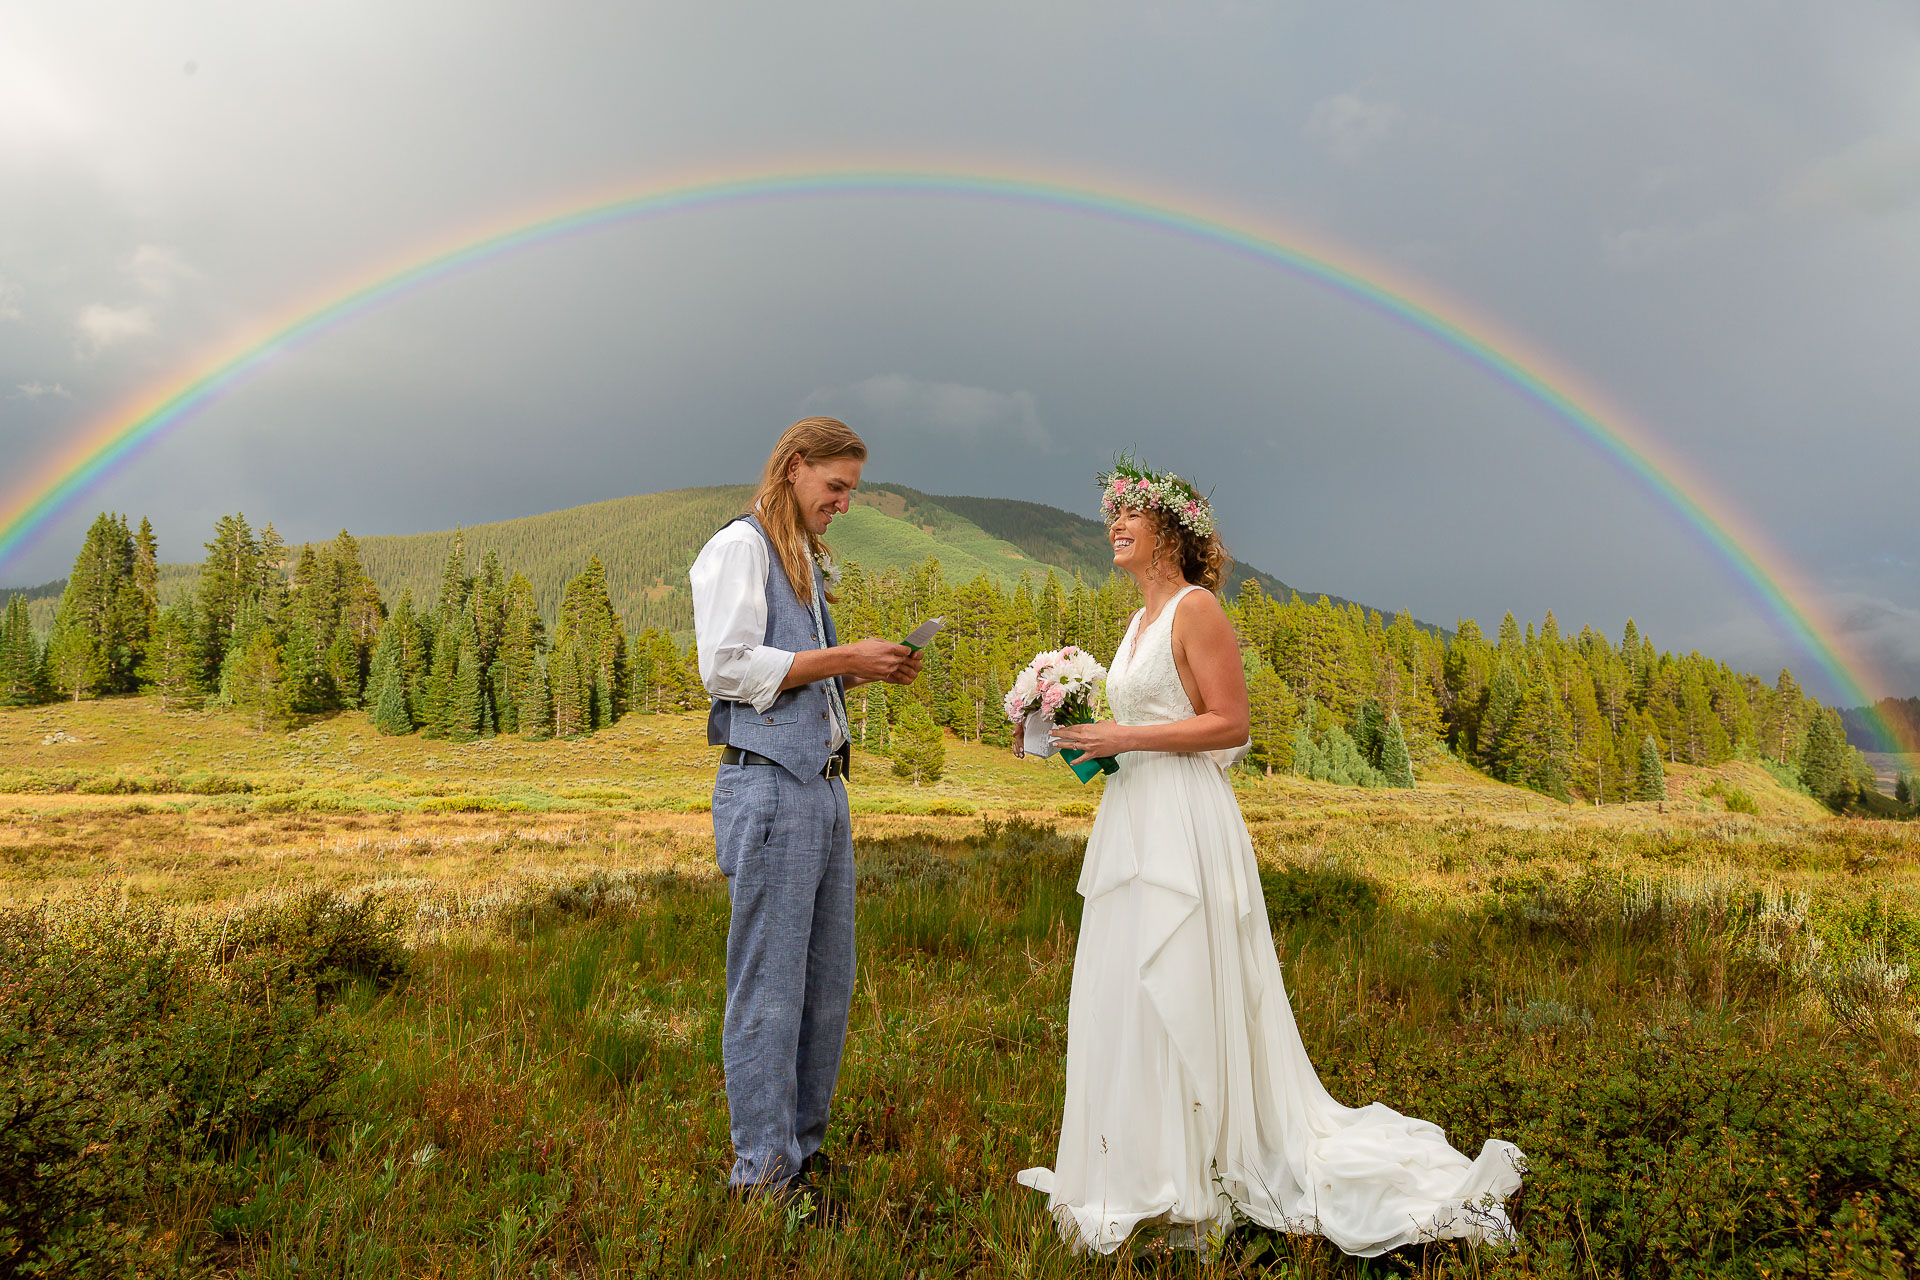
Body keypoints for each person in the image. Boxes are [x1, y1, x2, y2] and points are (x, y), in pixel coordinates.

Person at [1015, 459, 1525, 1255]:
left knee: (1181, 977)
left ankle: (1209, 1167)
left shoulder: (1197, 609)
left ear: (1169, 532)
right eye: (1111, 515)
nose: (1114, 525)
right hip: (1133, 817)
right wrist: (1076, 738)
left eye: (1130, 515)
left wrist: (1128, 735)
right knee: (1128, 988)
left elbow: (1230, 724)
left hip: (1187, 820)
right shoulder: (1135, 625)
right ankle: (1141, 1165)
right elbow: (1138, 729)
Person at [690, 417, 921, 1197]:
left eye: (852, 490)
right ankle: (762, 1175)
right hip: (766, 784)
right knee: (769, 987)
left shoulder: (803, 560)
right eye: (836, 486)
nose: (844, 503)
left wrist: (862, 671)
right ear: (795, 468)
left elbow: (791, 672)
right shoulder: (741, 548)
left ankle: (802, 1155)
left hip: (821, 788)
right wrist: (843, 656)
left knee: (826, 983)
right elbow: (724, 667)